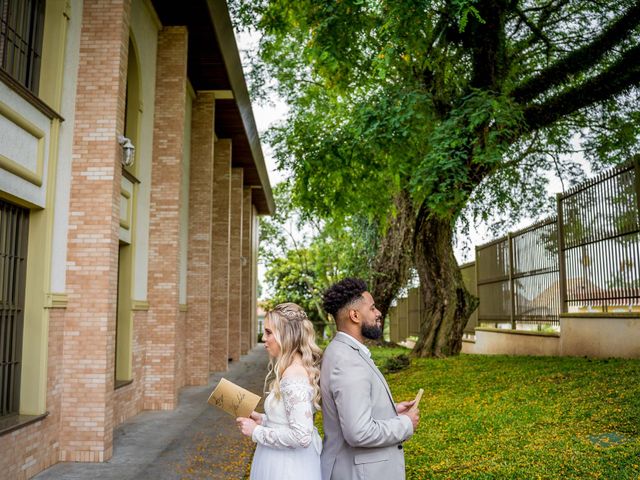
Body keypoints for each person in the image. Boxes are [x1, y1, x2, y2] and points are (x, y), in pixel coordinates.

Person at [320, 278, 419, 480]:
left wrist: (390, 410)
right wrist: (405, 424)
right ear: (355, 315)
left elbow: (349, 409)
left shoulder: (341, 350)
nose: (378, 313)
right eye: (372, 308)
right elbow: (358, 432)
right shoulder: (348, 361)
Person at [236, 303, 323, 480]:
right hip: (283, 460)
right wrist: (263, 420)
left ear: (286, 335)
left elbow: (301, 437)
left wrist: (256, 432)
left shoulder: (293, 375)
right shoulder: (292, 369)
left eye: (269, 332)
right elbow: (290, 421)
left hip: (287, 468)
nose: (263, 339)